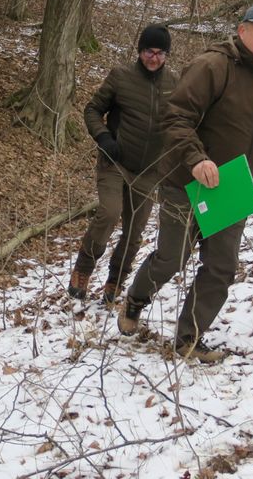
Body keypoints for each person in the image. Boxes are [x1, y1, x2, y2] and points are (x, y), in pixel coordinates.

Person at [117, 2, 253, 363]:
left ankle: (188, 339)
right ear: (242, 31)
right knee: (172, 258)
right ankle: (136, 298)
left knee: (221, 267)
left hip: (233, 188)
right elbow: (176, 117)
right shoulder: (213, 66)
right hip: (185, 181)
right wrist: (196, 159)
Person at [68, 24, 176, 305]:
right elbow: (92, 109)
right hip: (115, 162)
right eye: (149, 51)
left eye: (160, 53)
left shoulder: (174, 83)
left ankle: (115, 280)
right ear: (140, 51)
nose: (154, 58)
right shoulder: (121, 76)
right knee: (108, 212)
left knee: (135, 231)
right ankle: (83, 269)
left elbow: (183, 121)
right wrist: (103, 136)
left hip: (150, 170)